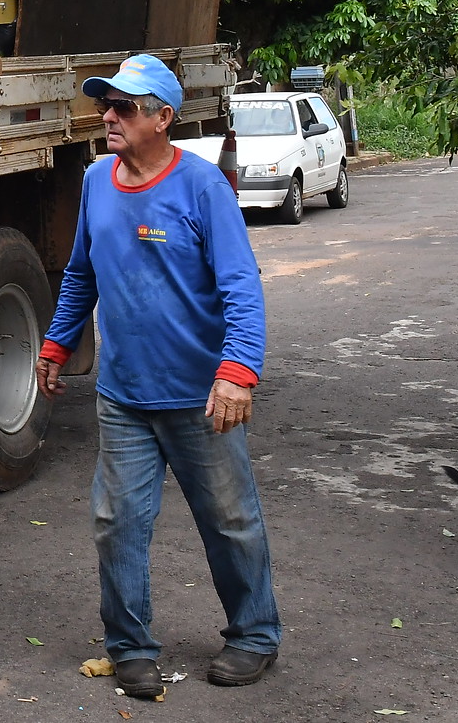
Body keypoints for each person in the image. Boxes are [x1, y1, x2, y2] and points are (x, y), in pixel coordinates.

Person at [35, 53, 279, 699]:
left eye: (125, 106)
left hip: (203, 397)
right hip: (124, 394)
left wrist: (238, 371)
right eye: (106, 103)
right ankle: (131, 647)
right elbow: (82, 271)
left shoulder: (202, 186)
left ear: (163, 117)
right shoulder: (96, 179)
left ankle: (254, 635)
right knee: (117, 522)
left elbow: (241, 286)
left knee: (230, 519)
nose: (109, 115)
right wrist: (56, 344)